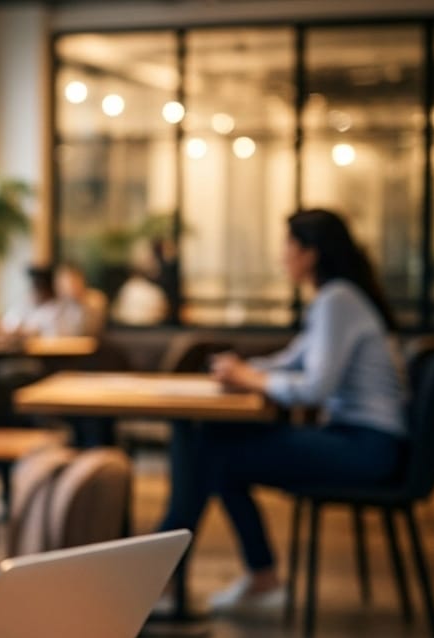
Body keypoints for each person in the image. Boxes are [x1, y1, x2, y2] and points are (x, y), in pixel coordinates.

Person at [157, 209, 406, 613]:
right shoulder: (340, 298)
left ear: (310, 253)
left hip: (366, 448)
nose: (282, 256)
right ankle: (242, 579)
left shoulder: (337, 300)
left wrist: (249, 379)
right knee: (214, 448)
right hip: (366, 443)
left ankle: (165, 582)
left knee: (212, 451)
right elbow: (294, 360)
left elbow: (314, 387)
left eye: (288, 245)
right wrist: (244, 370)